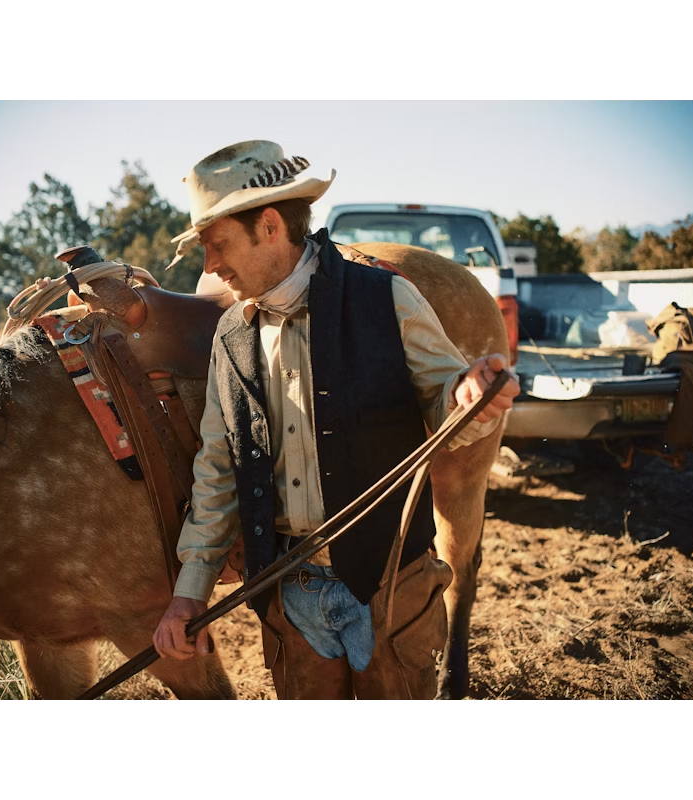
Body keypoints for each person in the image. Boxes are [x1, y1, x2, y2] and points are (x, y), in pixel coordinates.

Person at [152, 139, 520, 699]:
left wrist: (469, 399)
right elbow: (218, 467)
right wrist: (190, 592)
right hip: (291, 599)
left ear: (270, 225)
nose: (211, 267)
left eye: (218, 244)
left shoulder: (389, 299)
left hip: (391, 588)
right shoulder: (230, 336)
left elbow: (451, 404)